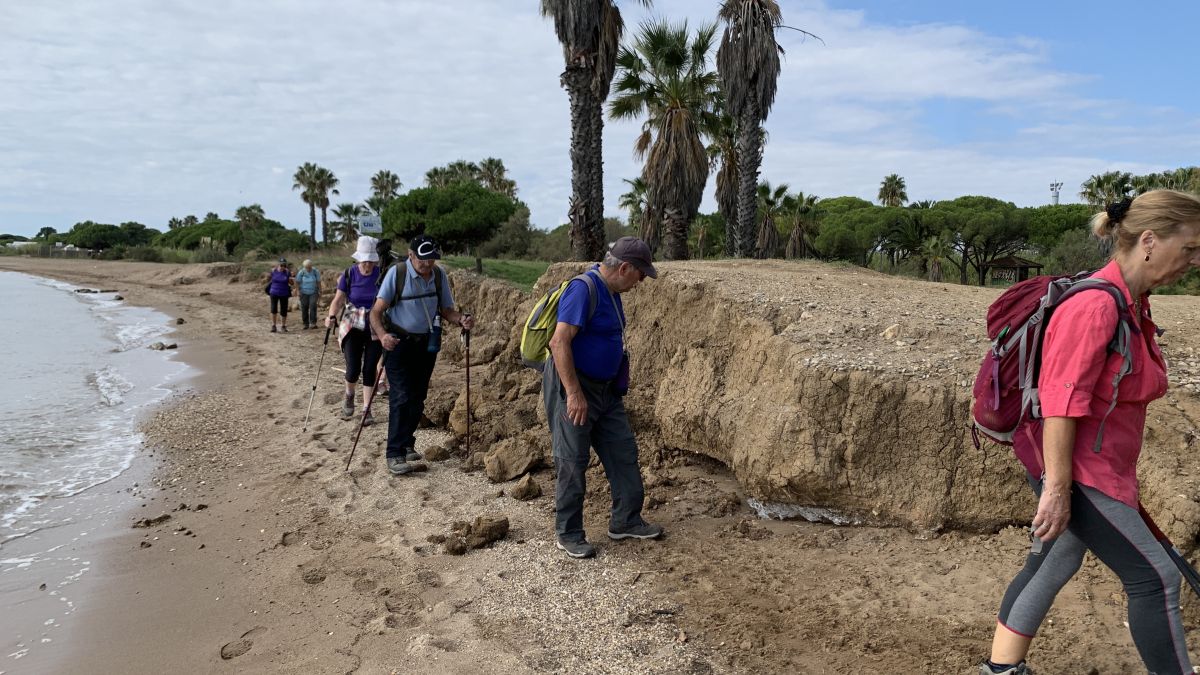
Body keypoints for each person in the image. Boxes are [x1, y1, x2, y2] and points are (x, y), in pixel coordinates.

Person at [981, 190, 1200, 675]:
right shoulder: (1097, 307)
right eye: (1189, 248)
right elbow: (1061, 403)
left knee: (1054, 560)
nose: (1195, 260)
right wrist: (1057, 491)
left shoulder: (1132, 303)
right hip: (1080, 475)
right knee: (1157, 578)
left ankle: (1000, 671)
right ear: (1148, 241)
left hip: (1093, 470)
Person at [543, 237, 664, 559]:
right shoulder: (583, 289)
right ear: (624, 268)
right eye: (640, 275)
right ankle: (568, 533)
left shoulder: (611, 292)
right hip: (576, 388)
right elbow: (559, 343)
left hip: (606, 391)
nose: (641, 283)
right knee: (572, 460)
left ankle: (626, 520)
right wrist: (574, 394)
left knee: (623, 451)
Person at [369, 234, 474, 475]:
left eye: (432, 260)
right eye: (423, 260)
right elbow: (375, 312)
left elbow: (447, 310)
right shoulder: (397, 274)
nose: (427, 265)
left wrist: (461, 320)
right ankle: (394, 453)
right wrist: (383, 336)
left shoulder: (438, 275)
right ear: (410, 255)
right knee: (401, 396)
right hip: (397, 343)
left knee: (418, 397)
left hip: (426, 344)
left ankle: (407, 443)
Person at [325, 236, 384, 425]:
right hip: (352, 323)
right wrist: (331, 315)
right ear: (359, 259)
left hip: (375, 324)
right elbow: (338, 300)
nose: (368, 264)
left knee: (370, 369)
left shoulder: (382, 274)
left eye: (371, 260)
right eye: (364, 260)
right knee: (353, 369)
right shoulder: (349, 274)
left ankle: (367, 409)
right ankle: (349, 394)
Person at [267, 258, 293, 333]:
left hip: (284, 293)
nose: (282, 267)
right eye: (281, 265)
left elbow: (291, 283)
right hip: (274, 292)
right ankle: (273, 326)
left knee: (284, 310)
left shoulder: (287, 272)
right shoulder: (273, 271)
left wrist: (290, 278)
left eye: (284, 265)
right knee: (273, 309)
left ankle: (283, 326)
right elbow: (269, 279)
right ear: (278, 264)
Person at [295, 259, 321, 329]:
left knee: (313, 305)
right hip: (303, 292)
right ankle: (305, 323)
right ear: (304, 267)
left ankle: (313, 323)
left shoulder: (315, 271)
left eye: (309, 267)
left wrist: (320, 291)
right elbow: (297, 282)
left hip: (313, 291)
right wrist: (297, 291)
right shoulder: (301, 272)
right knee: (304, 307)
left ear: (311, 266)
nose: (308, 269)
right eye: (307, 267)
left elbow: (318, 282)